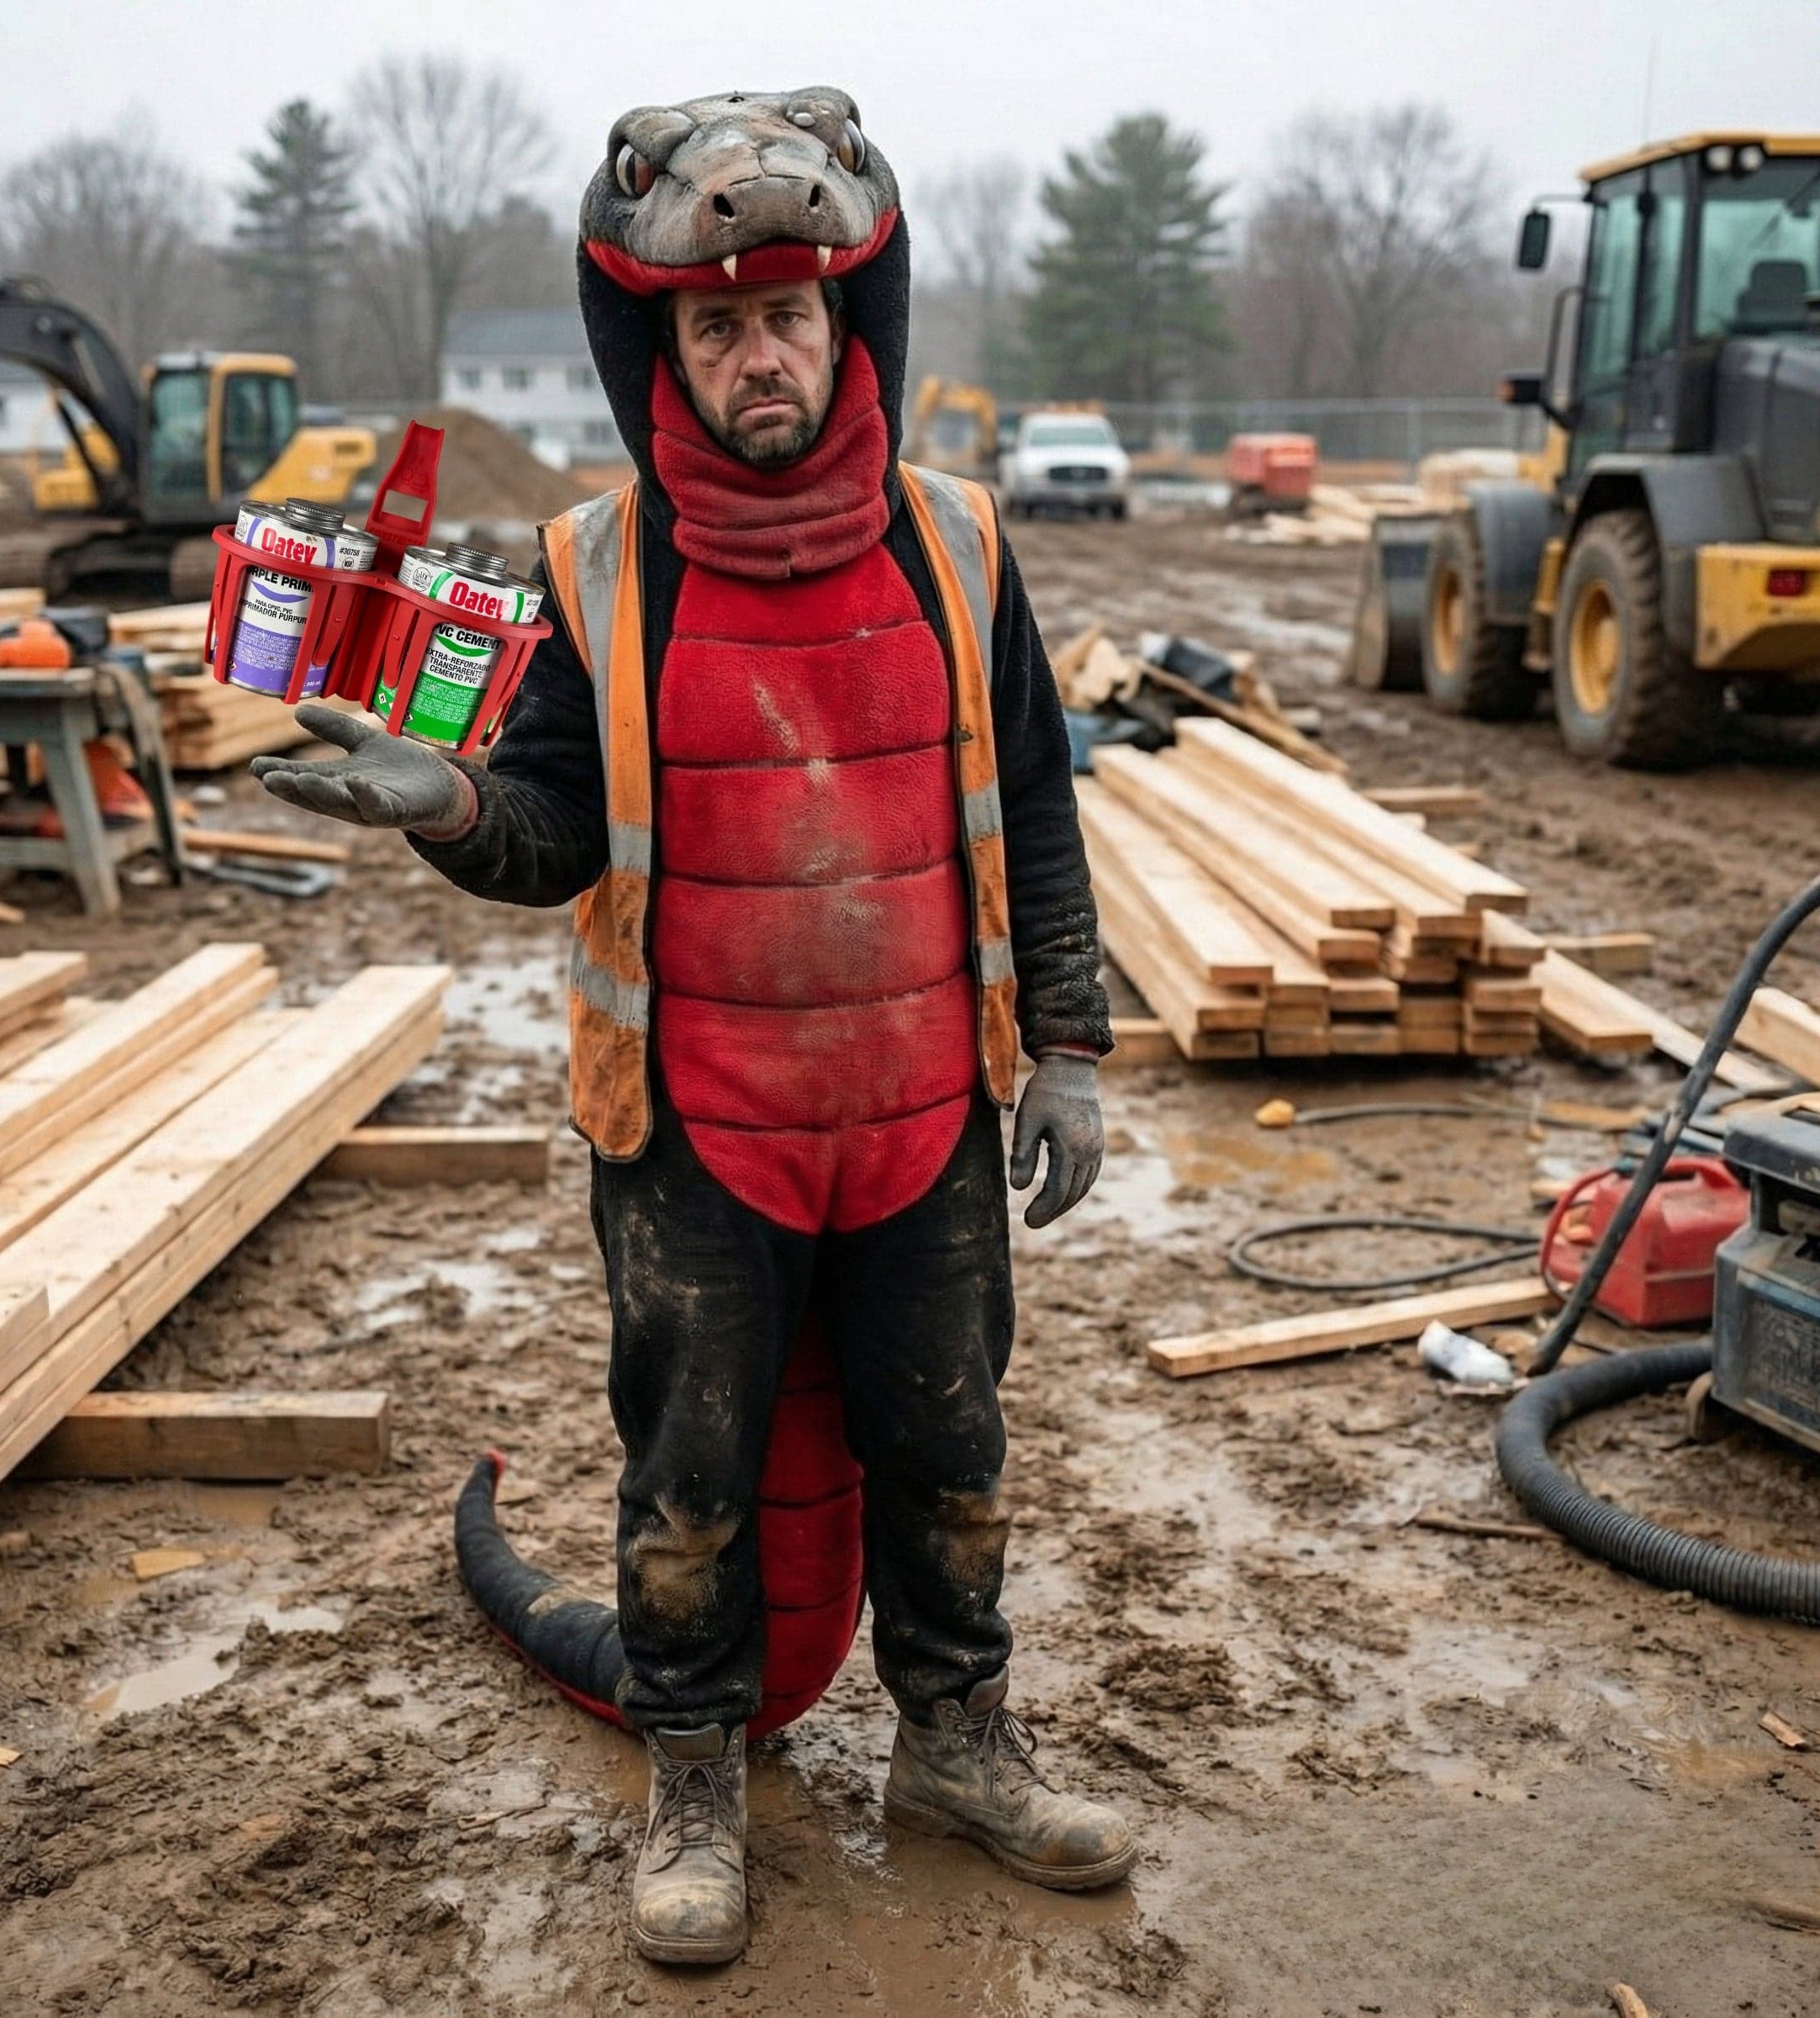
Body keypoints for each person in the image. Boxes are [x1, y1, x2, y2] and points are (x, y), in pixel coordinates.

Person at [254, 85, 1135, 1968]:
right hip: (695, 1123)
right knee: (686, 1474)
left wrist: (1066, 1041)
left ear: (847, 325)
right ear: (660, 344)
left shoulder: (964, 545)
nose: (757, 354)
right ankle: (694, 1781)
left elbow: (1042, 805)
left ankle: (959, 1739)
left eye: (787, 317)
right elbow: (558, 826)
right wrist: (457, 810)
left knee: (951, 1445)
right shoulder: (601, 571)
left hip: (921, 1115)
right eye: (716, 323)